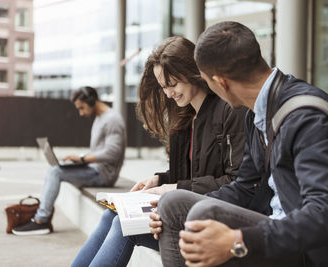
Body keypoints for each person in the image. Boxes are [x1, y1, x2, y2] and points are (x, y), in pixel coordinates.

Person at [155, 21, 328, 267]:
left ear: (221, 82)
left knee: (202, 215)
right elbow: (246, 188)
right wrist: (162, 208)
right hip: (276, 228)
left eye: (208, 82)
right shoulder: (257, 113)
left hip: (310, 249)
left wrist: (237, 240)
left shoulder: (307, 120)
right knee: (172, 205)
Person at [71, 36, 247, 267]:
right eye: (163, 87)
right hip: (186, 213)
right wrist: (159, 180)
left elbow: (237, 183)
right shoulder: (184, 119)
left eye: (172, 84)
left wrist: (172, 188)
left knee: (122, 224)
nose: (168, 94)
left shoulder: (228, 111)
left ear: (192, 71)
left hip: (215, 226)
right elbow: (189, 176)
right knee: (112, 215)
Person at [12, 86, 126, 236]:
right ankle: (41, 217)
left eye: (82, 107)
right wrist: (79, 158)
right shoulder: (101, 118)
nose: (81, 113)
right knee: (56, 168)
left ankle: (41, 221)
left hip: (104, 174)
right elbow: (99, 150)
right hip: (94, 169)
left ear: (91, 101)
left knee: (55, 172)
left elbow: (113, 152)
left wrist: (83, 159)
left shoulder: (112, 120)